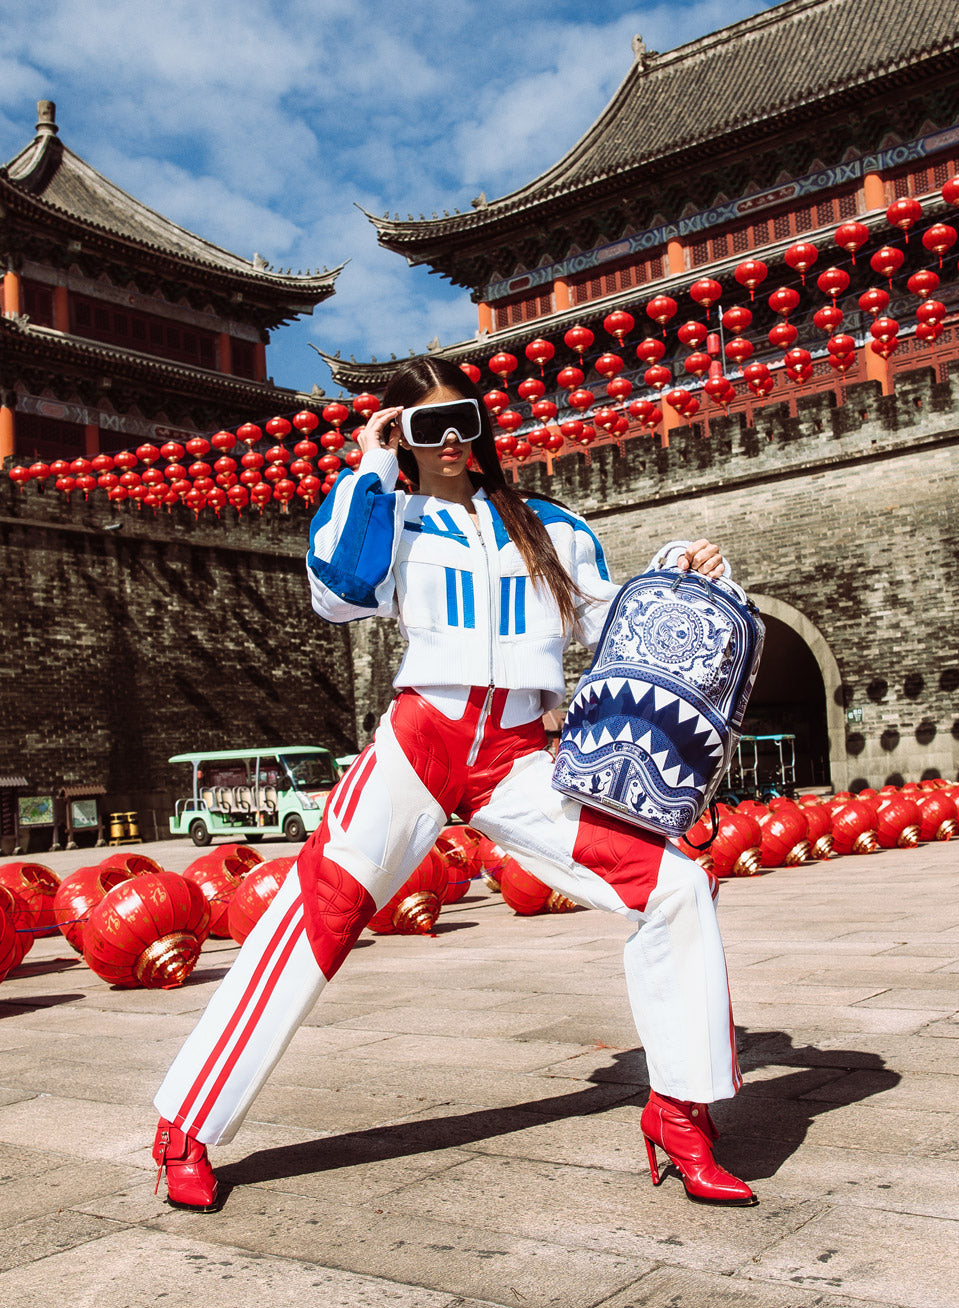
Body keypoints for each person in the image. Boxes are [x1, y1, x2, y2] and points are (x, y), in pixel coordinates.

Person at [152, 356, 756, 1211]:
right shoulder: (389, 521)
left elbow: (622, 621)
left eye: (461, 420)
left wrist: (687, 573)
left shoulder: (551, 527)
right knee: (313, 917)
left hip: (518, 757)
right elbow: (339, 589)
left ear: (481, 426)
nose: (447, 442)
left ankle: (680, 1113)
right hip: (418, 741)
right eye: (424, 427)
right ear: (402, 434)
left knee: (674, 887)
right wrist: (370, 465)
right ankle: (187, 1125)